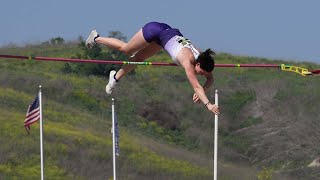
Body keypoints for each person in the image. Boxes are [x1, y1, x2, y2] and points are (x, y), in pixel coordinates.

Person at [86, 21, 219, 115]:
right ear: (198, 64)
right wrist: (209, 105)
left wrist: (204, 89)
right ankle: (96, 38)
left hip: (165, 35)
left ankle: (115, 78)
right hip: (154, 30)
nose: (202, 75)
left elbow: (210, 79)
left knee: (139, 59)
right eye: (202, 73)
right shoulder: (187, 60)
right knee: (126, 49)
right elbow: (196, 86)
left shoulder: (201, 57)